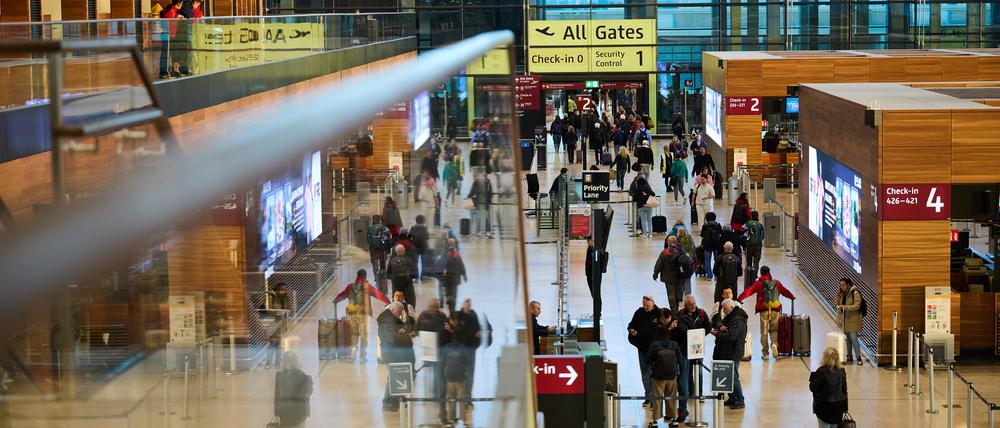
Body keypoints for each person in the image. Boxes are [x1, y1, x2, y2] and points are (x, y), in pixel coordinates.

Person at [737, 265, 795, 360]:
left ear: (761, 273)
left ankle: (765, 353)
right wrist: (791, 296)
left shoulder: (759, 283)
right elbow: (784, 291)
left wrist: (739, 298)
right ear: (769, 272)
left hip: (764, 310)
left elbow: (749, 291)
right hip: (775, 309)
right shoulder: (776, 283)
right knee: (774, 330)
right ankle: (774, 344)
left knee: (764, 332)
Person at [333, 269, 391, 361]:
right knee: (364, 335)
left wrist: (336, 300)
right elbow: (378, 294)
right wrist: (388, 302)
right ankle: (363, 355)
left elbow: (343, 295)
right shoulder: (367, 287)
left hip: (351, 313)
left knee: (354, 333)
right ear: (365, 277)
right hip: (363, 313)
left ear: (357, 276)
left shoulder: (350, 286)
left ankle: (354, 349)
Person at [675, 295, 710, 421]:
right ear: (686, 305)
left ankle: (699, 393)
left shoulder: (701, 313)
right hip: (685, 348)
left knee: (699, 370)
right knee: (687, 371)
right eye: (691, 304)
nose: (694, 306)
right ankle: (690, 391)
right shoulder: (680, 314)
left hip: (697, 346)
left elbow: (708, 326)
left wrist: (699, 335)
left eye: (694, 303)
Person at [711, 299, 748, 410]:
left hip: (734, 352)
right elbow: (723, 325)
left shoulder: (738, 321)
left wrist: (717, 334)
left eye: (725, 309)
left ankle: (740, 399)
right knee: (729, 376)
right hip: (728, 351)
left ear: (731, 308)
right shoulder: (731, 317)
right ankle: (732, 397)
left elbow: (731, 336)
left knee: (733, 377)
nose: (724, 311)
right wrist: (722, 328)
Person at [378, 302, 415, 411]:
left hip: (396, 354)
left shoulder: (391, 320)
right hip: (391, 354)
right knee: (393, 377)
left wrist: (403, 332)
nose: (400, 315)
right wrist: (406, 335)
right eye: (399, 312)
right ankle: (387, 402)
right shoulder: (387, 322)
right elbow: (393, 339)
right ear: (393, 310)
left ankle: (396, 400)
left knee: (397, 376)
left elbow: (397, 333)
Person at [645, 325, 683, 427]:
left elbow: (647, 361)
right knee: (672, 398)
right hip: (672, 376)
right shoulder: (674, 344)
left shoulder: (654, 345)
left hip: (658, 377)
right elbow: (680, 360)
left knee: (657, 399)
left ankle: (655, 421)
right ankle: (674, 419)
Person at [627, 295, 661, 406]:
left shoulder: (659, 313)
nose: (645, 307)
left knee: (655, 374)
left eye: (647, 305)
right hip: (642, 348)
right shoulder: (639, 312)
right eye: (644, 305)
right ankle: (649, 397)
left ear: (653, 303)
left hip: (655, 349)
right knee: (645, 374)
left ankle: (656, 398)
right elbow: (631, 324)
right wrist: (632, 330)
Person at [810, 347, 849, 428]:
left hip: (824, 407)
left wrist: (812, 378)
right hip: (838, 407)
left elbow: (812, 388)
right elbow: (844, 390)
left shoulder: (822, 371)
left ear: (826, 357)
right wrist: (845, 408)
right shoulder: (842, 371)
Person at [273, 351, 312, 428]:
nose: (289, 362)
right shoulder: (279, 375)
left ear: (295, 362)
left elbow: (307, 394)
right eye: (287, 360)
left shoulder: (301, 375)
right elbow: (277, 394)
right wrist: (276, 412)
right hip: (284, 413)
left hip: (298, 413)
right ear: (284, 361)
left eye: (291, 360)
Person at [454, 299, 483, 398]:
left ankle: (468, 395)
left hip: (471, 349)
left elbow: (479, 328)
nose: (468, 306)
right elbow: (456, 331)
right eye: (467, 304)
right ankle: (461, 394)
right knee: (462, 372)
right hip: (461, 349)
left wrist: (479, 334)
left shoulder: (474, 315)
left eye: (469, 305)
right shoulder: (459, 315)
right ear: (463, 305)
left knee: (470, 373)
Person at [441, 328, 469, 425]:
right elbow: (467, 362)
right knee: (461, 400)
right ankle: (463, 420)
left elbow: (443, 361)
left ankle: (451, 418)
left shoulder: (446, 347)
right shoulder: (463, 347)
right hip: (460, 378)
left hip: (449, 377)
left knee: (451, 398)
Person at [836, 278, 864, 365]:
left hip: (853, 320)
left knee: (853, 338)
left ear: (848, 284)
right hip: (845, 320)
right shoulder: (842, 294)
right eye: (840, 285)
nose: (842, 287)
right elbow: (837, 305)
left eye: (843, 285)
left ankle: (859, 357)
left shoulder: (854, 293)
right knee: (847, 339)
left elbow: (857, 306)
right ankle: (849, 356)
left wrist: (846, 307)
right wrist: (838, 296)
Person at [653, 236, 683, 312]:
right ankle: (677, 306)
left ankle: (673, 309)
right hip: (678, 276)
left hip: (668, 277)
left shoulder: (664, 253)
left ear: (668, 242)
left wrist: (655, 274)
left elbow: (659, 265)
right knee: (677, 292)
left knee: (670, 294)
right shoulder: (679, 252)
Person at [265, 283, 291, 369]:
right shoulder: (271, 296)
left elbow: (289, 308)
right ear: (277, 289)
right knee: (273, 343)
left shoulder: (286, 297)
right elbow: (267, 309)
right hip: (274, 322)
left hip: (282, 323)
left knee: (279, 344)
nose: (283, 292)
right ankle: (268, 362)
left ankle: (277, 362)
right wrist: (277, 312)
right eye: (282, 289)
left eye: (285, 290)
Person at [436, 242, 467, 312]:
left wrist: (440, 277)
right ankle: (452, 307)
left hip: (447, 279)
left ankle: (448, 303)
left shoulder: (444, 255)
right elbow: (461, 266)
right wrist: (464, 275)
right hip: (455, 279)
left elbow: (439, 266)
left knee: (448, 293)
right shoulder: (457, 255)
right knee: (453, 295)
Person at [629, 171, 656, 238]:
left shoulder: (637, 189)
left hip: (641, 206)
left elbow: (634, 197)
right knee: (649, 220)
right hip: (649, 205)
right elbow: (653, 194)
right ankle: (650, 233)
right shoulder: (647, 187)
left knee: (643, 220)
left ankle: (644, 233)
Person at [699, 212, 723, 280]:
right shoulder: (717, 225)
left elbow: (702, 235)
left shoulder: (705, 226)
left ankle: (709, 276)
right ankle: (716, 274)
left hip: (706, 245)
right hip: (716, 244)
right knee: (717, 260)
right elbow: (721, 233)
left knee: (707, 260)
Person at [468, 174, 493, 238]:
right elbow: (490, 193)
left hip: (482, 204)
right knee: (481, 218)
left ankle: (483, 232)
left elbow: (490, 193)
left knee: (483, 218)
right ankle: (482, 232)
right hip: (480, 204)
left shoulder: (486, 183)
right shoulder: (480, 183)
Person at [585, 236, 608, 303]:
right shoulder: (590, 248)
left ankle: (598, 311)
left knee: (596, 294)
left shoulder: (596, 250)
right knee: (593, 293)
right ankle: (596, 309)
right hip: (589, 274)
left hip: (594, 275)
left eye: (588, 241)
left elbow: (600, 262)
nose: (587, 242)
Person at [410, 215, 431, 280]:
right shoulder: (424, 228)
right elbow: (427, 237)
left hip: (415, 247)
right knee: (423, 263)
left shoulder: (413, 227)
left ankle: (416, 277)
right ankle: (422, 277)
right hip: (423, 247)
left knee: (415, 263)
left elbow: (409, 236)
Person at [676, 228, 696, 296]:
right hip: (690, 259)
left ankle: (681, 293)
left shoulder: (677, 240)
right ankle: (688, 294)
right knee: (688, 278)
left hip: (681, 261)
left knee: (682, 278)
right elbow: (693, 247)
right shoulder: (689, 238)